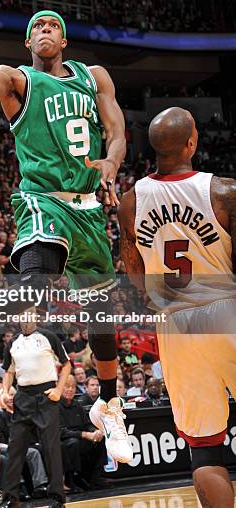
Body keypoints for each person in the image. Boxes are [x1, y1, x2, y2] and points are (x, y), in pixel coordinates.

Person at [0, 7, 132, 462]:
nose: (44, 31)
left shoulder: (94, 77)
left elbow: (116, 129)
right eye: (36, 28)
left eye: (52, 26)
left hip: (89, 209)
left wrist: (112, 161)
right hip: (42, 199)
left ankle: (108, 406)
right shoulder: (18, 81)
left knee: (103, 323)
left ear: (64, 40)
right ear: (27, 44)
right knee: (32, 284)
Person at [118, 107, 236, 508]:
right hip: (224, 307)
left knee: (204, 448)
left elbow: (134, 270)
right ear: (192, 141)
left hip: (173, 322)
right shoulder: (223, 192)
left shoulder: (131, 202)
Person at [0, 313, 71, 508]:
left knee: (51, 448)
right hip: (22, 396)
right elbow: (8, 371)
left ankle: (57, 498)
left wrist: (58, 389)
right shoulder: (13, 342)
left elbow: (66, 364)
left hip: (46, 395)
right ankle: (10, 499)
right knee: (15, 449)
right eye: (21, 316)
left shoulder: (49, 336)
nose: (24, 319)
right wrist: (4, 392)